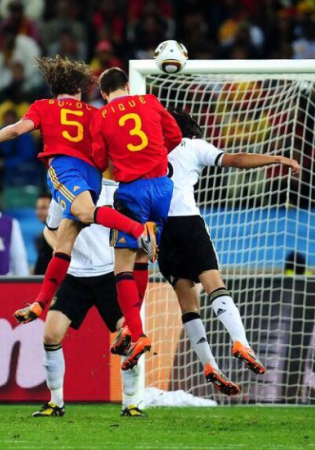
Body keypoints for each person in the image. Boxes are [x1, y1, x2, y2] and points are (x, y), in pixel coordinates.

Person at [0, 56, 155, 326]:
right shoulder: (94, 112)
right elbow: (117, 143)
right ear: (80, 90)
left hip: (66, 170)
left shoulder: (44, 106)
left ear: (54, 90)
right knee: (64, 242)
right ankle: (41, 303)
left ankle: (138, 231)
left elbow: (18, 129)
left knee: (86, 214)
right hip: (93, 174)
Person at [144, 108, 298, 394]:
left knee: (187, 302)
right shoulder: (192, 146)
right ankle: (241, 342)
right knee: (214, 284)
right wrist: (276, 158)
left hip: (160, 229)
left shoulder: (148, 149)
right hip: (188, 223)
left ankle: (210, 364)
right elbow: (237, 160)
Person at [90, 67, 182, 371]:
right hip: (162, 186)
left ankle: (138, 333)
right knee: (141, 259)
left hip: (133, 191)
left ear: (104, 94)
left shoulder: (101, 117)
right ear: (127, 86)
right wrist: (156, 156)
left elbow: (101, 162)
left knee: (122, 268)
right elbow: (175, 136)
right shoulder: (151, 101)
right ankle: (131, 326)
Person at [33, 179, 145, 418]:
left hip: (110, 274)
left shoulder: (118, 192)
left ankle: (131, 404)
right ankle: (56, 402)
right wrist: (63, 251)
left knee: (129, 336)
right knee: (51, 334)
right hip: (75, 276)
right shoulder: (64, 192)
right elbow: (49, 229)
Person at [34, 192, 53, 275]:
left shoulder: (60, 236)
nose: (39, 212)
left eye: (44, 208)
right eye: (37, 208)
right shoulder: (40, 237)